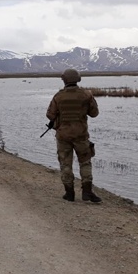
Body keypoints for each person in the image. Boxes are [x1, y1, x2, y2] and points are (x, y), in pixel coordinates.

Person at [46, 69, 101, 203]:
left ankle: (69, 193)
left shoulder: (58, 96)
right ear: (78, 79)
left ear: (64, 79)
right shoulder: (86, 95)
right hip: (81, 135)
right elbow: (94, 113)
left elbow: (50, 115)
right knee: (85, 162)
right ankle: (87, 192)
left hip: (63, 135)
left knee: (65, 164)